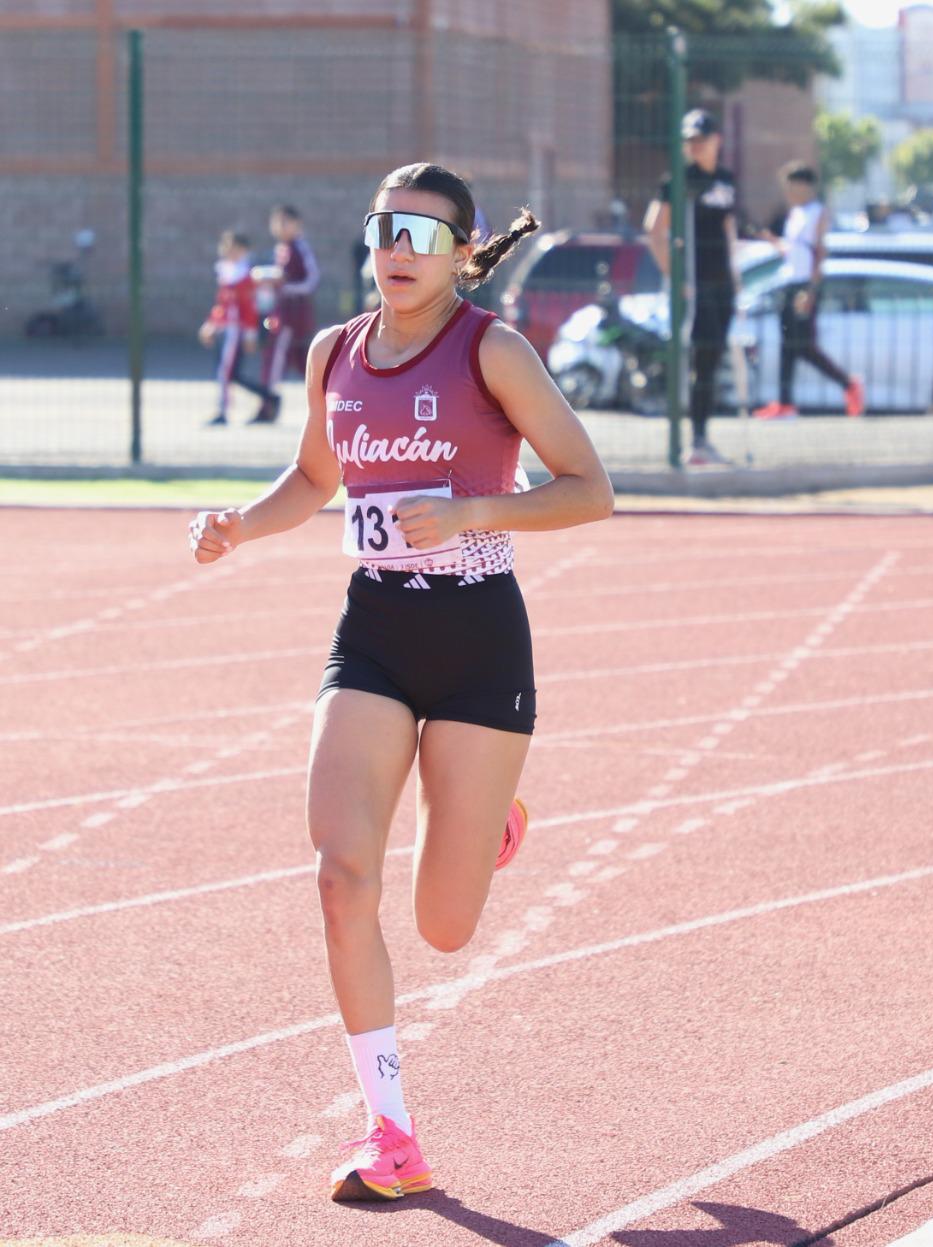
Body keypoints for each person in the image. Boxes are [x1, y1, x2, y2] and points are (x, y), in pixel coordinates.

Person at [186, 162, 613, 1199]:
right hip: (374, 629)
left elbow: (589, 490)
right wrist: (241, 525)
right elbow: (314, 480)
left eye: (424, 234)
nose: (399, 249)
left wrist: (475, 512)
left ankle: (489, 813)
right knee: (340, 878)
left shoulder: (491, 351)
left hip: (477, 639)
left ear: (465, 253)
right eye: (386, 228)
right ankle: (392, 1132)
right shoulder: (335, 351)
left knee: (444, 924)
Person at [645, 109, 740, 466]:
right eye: (690, 141)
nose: (695, 146)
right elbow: (655, 231)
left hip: (722, 286)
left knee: (714, 359)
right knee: (701, 357)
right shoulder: (679, 181)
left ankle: (702, 438)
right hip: (695, 288)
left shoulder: (727, 180)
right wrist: (677, 277)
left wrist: (736, 275)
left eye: (701, 139)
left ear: (717, 140)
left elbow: (728, 228)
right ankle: (693, 442)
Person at [753, 163, 864, 421]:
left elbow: (819, 252)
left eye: (792, 186)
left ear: (805, 186)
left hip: (805, 285)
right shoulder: (795, 213)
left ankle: (848, 384)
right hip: (790, 283)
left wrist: (811, 290)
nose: (788, 191)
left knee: (803, 346)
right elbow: (794, 250)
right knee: (787, 345)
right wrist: (773, 242)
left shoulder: (818, 212)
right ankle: (784, 403)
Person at [199, 229, 277, 427]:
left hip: (237, 329)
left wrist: (250, 333)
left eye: (233, 247)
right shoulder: (227, 272)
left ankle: (223, 410)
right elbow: (222, 304)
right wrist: (211, 324)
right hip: (224, 327)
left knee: (226, 372)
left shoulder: (246, 275)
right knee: (228, 372)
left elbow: (249, 307)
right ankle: (268, 396)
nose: (228, 251)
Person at [254, 204, 321, 421]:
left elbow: (311, 280)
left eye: (285, 222)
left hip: (294, 316)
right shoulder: (281, 249)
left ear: (296, 224)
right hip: (280, 313)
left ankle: (268, 405)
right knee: (297, 361)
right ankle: (270, 405)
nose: (280, 227)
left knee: (278, 358)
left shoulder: (300, 248)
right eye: (276, 222)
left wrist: (284, 286)